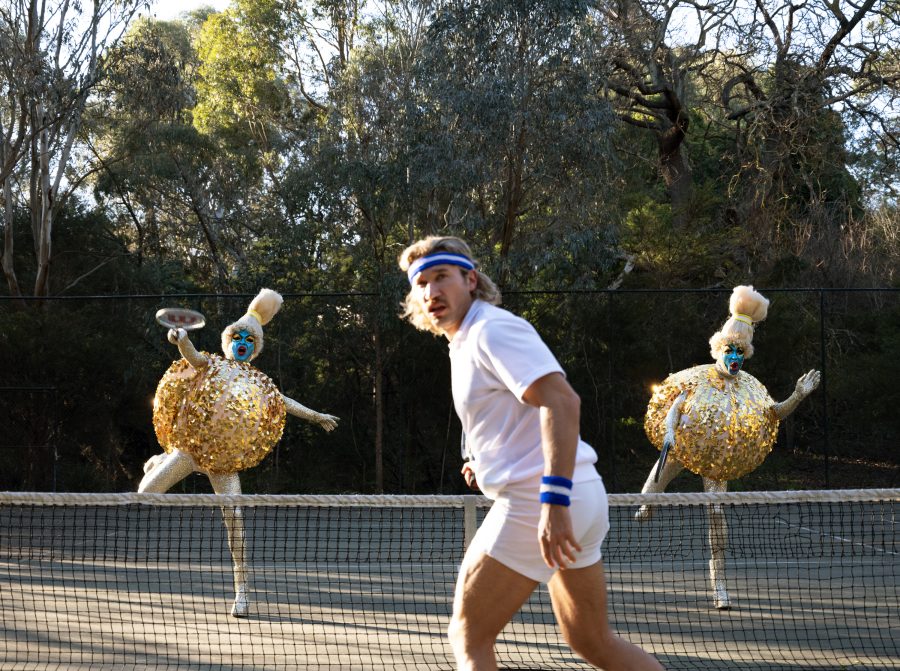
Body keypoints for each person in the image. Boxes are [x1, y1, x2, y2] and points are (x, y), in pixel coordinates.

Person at [399, 236, 664, 671]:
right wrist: (482, 464)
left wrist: (553, 500)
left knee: (468, 636)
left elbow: (561, 402)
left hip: (542, 500)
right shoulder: (466, 339)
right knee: (592, 641)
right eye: (421, 283)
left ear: (470, 280)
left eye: (441, 277)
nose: (431, 292)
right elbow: (509, 415)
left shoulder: (491, 329)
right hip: (579, 495)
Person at [140, 288, 339, 617]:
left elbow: (286, 403)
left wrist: (317, 416)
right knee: (145, 494)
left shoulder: (261, 383)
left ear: (255, 347)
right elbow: (192, 356)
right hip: (190, 451)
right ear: (228, 340)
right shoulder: (212, 365)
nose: (243, 341)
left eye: (249, 338)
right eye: (238, 336)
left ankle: (242, 592)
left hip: (224, 464)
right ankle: (161, 459)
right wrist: (181, 340)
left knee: (235, 523)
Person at [638, 285, 820, 609]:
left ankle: (719, 587)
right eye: (730, 351)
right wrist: (669, 433)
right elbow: (675, 409)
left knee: (717, 518)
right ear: (719, 349)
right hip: (682, 446)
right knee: (651, 491)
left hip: (718, 461)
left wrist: (798, 395)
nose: (735, 357)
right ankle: (648, 504)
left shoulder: (751, 387)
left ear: (745, 354)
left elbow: (773, 413)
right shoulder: (695, 378)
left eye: (740, 352)